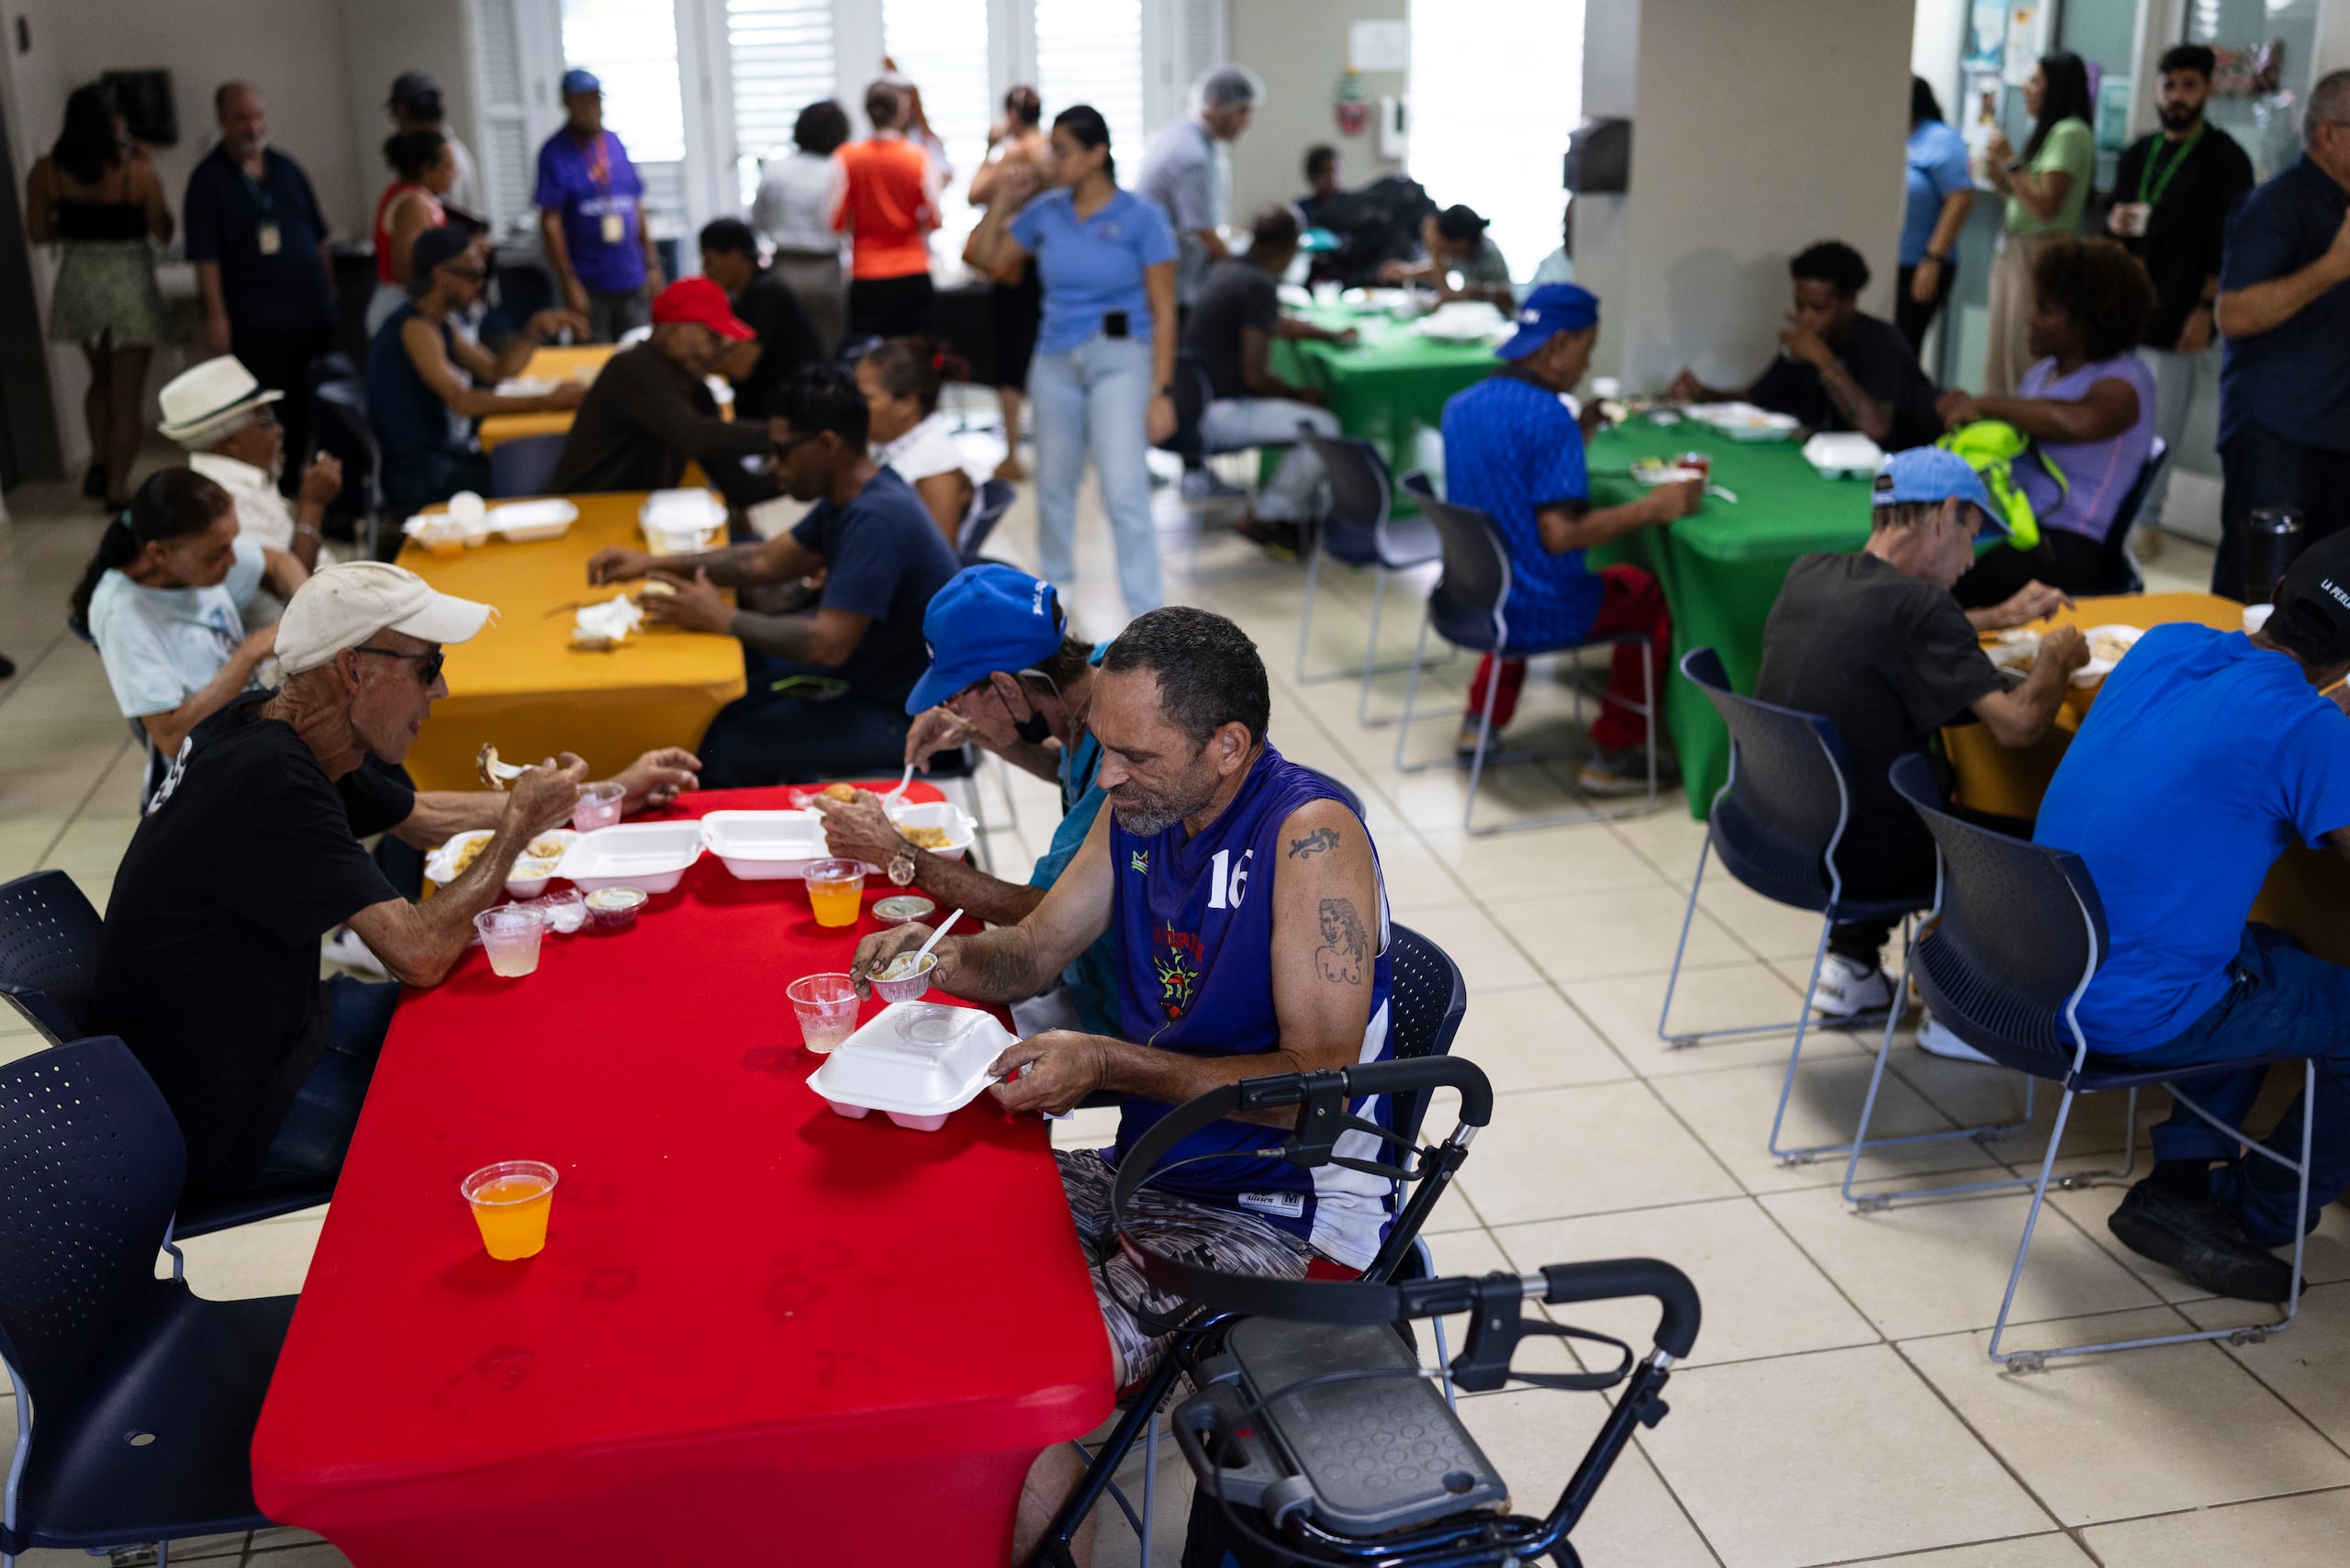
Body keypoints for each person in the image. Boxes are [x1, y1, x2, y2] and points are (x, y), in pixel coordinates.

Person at [841, 607, 1393, 1564]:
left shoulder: (1310, 837)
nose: (1106, 776)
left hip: (1276, 1206)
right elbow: (1032, 952)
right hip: (1161, 1160)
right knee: (921, 1236)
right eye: (1104, 747)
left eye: (1135, 755)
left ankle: (1035, 1517)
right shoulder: (1140, 807)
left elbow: (1313, 1093)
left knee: (1002, 1377)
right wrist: (940, 958)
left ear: (1228, 746)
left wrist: (1106, 1062)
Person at [90, 560, 697, 1203]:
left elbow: (421, 817)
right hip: (229, 1111)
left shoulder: (266, 723)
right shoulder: (273, 777)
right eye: (428, 667)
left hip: (279, 1027)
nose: (442, 691)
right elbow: (419, 954)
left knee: (511, 1029)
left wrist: (599, 793)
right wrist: (518, 825)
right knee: (506, 1122)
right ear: (354, 670)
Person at [2034, 532, 2350, 1302]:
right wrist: (2330, 734)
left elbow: (2230, 735)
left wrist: (2324, 725)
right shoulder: (2307, 731)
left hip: (2028, 964)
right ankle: (2257, 1213)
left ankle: (2180, 1183)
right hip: (2117, 1010)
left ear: (2277, 589)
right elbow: (2284, 742)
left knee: (2265, 950)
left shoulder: (2166, 645)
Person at [1756, 448, 2085, 1030]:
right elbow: (2018, 727)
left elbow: (1892, 625)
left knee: (1903, 780)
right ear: (1944, 513)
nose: (1969, 560)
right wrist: (2056, 656)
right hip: (1867, 856)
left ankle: (1851, 967)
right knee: (2031, 835)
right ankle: (1966, 1011)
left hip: (1780, 832)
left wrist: (1997, 616)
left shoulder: (1812, 572)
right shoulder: (1922, 607)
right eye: (1970, 536)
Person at [586, 365, 961, 785]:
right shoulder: (853, 497)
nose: (774, 466)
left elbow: (827, 644)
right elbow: (761, 561)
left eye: (782, 452)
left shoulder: (877, 519)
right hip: (864, 683)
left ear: (827, 444)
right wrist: (650, 563)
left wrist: (720, 617)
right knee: (726, 705)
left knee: (721, 749)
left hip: (907, 718)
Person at [811, 565, 1119, 1035]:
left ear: (1007, 687)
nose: (952, 710)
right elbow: (1069, 762)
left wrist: (897, 854)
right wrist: (977, 730)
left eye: (956, 699)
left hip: (1111, 1005)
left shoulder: (1121, 758)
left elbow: (1042, 912)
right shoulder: (1096, 672)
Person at [1441, 284, 1690, 792]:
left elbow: (1509, 481)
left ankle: (1481, 718)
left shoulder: (1462, 405)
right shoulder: (1549, 414)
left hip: (1475, 597)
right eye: (1586, 348)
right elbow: (1560, 536)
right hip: (1536, 611)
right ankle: (1613, 751)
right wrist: (1651, 508)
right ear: (1557, 345)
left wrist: (1577, 437)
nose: (1586, 364)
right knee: (1644, 595)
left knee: (1512, 570)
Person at [967, 105, 1178, 616]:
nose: (1051, 161)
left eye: (1062, 152)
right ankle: (1055, 594)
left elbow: (1165, 309)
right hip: (1055, 360)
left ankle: (1148, 612)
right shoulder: (1047, 210)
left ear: (1096, 154)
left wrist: (1162, 391)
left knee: (1124, 488)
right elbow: (983, 256)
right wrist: (1003, 199)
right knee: (1054, 485)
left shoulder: (1141, 217)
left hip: (1121, 359)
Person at [1935, 238, 2159, 605]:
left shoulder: (2126, 379)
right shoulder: (2042, 374)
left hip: (2071, 544)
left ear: (2086, 323)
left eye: (2046, 310)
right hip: (2021, 527)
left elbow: (2079, 422)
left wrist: (1985, 405)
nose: (2031, 318)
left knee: (1948, 569)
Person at [2210, 69, 2350, 602]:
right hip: (2276, 433)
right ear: (2328, 134)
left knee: (2321, 601)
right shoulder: (2277, 203)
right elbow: (2234, 314)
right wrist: (2334, 266)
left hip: (2335, 433)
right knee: (2256, 597)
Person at [2109, 45, 2255, 541]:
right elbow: (2114, 223)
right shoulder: (2139, 152)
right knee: (2116, 415)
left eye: (2189, 85)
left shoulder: (2226, 159)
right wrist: (2116, 225)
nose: (2176, 96)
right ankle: (2111, 513)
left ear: (2208, 89)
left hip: (2181, 310)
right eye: (2169, 85)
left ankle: (2147, 521)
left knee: (2162, 423)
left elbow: (2228, 245)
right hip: (2125, 309)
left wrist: (2205, 309)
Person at [69, 466, 308, 759]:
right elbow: (173, 740)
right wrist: (249, 653)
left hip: (253, 730)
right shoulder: (121, 614)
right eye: (218, 552)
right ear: (159, 553)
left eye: (232, 544)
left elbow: (279, 564)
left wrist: (305, 605)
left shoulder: (196, 561)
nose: (233, 559)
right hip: (212, 763)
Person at [185, 83, 336, 498]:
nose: (252, 127)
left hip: (309, 314)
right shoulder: (208, 180)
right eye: (241, 119)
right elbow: (206, 257)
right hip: (255, 323)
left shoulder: (286, 168)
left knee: (310, 409)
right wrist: (216, 316)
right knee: (268, 416)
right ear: (222, 122)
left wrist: (329, 294)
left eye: (257, 117)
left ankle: (304, 485)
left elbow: (318, 237)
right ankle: (273, 492)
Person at [366, 229, 588, 514]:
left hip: (441, 459)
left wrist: (533, 331)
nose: (480, 283)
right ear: (440, 274)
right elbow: (463, 402)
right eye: (472, 274)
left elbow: (495, 370)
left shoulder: (439, 322)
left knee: (539, 464)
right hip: (421, 476)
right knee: (542, 475)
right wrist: (546, 401)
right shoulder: (415, 328)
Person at [25, 83, 171, 510]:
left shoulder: (46, 172)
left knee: (100, 380)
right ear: (115, 122)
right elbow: (163, 229)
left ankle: (100, 465)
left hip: (79, 282)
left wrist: (77, 226)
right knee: (128, 392)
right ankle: (117, 487)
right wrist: (146, 168)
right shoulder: (136, 173)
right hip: (128, 285)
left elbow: (38, 231)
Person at [1182, 205, 1358, 555]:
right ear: (1289, 247)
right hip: (1217, 413)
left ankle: (1295, 515)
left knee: (1307, 418)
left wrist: (1329, 334)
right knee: (1324, 427)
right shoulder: (1258, 284)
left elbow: (1272, 324)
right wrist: (1298, 395)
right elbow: (1255, 374)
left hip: (1191, 402)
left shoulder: (1228, 268)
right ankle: (1271, 517)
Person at [1670, 241, 1942, 451]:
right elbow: (1758, 404)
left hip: (1885, 475)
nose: (1805, 318)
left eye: (1818, 308)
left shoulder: (1882, 343)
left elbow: (1876, 429)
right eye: (1800, 306)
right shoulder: (1804, 343)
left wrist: (1823, 360)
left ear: (1849, 303)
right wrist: (1704, 394)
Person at [548, 275, 780, 510]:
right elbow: (695, 436)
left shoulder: (695, 391)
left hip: (638, 516)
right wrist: (781, 434)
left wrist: (797, 468)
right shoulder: (632, 368)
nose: (721, 350)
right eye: (713, 337)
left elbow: (739, 487)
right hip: (587, 514)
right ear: (676, 330)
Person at [159, 356, 340, 588]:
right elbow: (294, 593)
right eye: (266, 423)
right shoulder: (224, 500)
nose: (279, 430)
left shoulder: (245, 476)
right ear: (230, 443)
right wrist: (313, 506)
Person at [1981, 52, 2095, 397]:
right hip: (2015, 247)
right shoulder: (2047, 133)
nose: (2026, 88)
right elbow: (2021, 205)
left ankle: (2026, 423)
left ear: (2056, 88)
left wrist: (2010, 162)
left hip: (2040, 251)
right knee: (2000, 354)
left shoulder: (2069, 132)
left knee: (2024, 353)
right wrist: (1997, 174)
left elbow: (2045, 207)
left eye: (2035, 81)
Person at [536, 68, 663, 342]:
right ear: (567, 103)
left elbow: (637, 206)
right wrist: (569, 283)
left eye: (595, 100)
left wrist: (652, 265)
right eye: (582, 102)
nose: (591, 109)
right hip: (589, 283)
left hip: (631, 277)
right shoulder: (554, 153)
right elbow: (550, 222)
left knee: (636, 350)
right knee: (594, 358)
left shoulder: (614, 143)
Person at [969, 85, 1050, 482]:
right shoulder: (1052, 153)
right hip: (1048, 264)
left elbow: (975, 194)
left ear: (1012, 117)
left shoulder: (1015, 154)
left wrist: (991, 147)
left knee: (1012, 360)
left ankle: (1013, 453)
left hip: (1016, 266)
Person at [1136, 65, 1260, 308]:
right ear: (1215, 103)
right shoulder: (1191, 155)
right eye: (1242, 111)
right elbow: (1203, 234)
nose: (1247, 122)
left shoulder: (1188, 137)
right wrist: (1244, 272)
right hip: (1170, 285)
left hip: (1176, 278)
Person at [835, 80, 942, 342]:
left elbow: (837, 220)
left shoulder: (847, 157)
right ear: (901, 112)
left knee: (870, 352)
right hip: (912, 269)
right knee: (916, 350)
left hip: (866, 271)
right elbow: (934, 218)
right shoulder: (918, 157)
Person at [752, 98, 852, 357]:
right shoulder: (839, 170)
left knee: (787, 345)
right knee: (829, 344)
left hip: (784, 266)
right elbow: (847, 222)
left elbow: (757, 218)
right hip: (826, 269)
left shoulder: (775, 169)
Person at [697, 218, 821, 422]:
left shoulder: (765, 293)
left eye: (709, 260)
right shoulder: (745, 296)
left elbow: (739, 367)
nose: (705, 269)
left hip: (792, 415)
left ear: (735, 255)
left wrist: (687, 361)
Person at [855, 336, 976, 544]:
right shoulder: (882, 441)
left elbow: (937, 558)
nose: (854, 406)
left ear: (907, 403)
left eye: (866, 399)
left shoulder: (936, 472)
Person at [1900, 76, 1975, 358]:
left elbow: (1961, 199)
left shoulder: (1940, 139)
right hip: (1888, 260)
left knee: (1904, 347)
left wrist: (1933, 259)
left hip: (1921, 264)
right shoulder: (1888, 134)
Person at [365, 127, 453, 337]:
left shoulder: (422, 198)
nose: (455, 173)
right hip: (403, 306)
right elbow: (406, 269)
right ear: (426, 168)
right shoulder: (412, 204)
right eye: (448, 166)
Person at [1377, 204, 1514, 308]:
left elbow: (1446, 291)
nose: (1447, 253)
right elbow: (1440, 270)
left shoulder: (1489, 254)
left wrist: (1434, 250)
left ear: (1461, 244)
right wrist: (1408, 271)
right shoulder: (1467, 252)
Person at [387, 71, 482, 218]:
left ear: (405, 112)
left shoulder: (445, 157)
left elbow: (447, 219)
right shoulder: (433, 154)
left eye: (397, 114)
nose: (397, 125)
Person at [1529, 201, 1576, 289]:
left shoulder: (1594, 263)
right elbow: (1529, 292)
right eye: (1565, 225)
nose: (1565, 233)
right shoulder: (1553, 259)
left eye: (1571, 227)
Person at [1298, 143, 1343, 229]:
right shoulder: (1301, 211)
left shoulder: (1352, 205)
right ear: (1312, 176)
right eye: (1326, 172)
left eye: (1336, 170)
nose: (1332, 177)